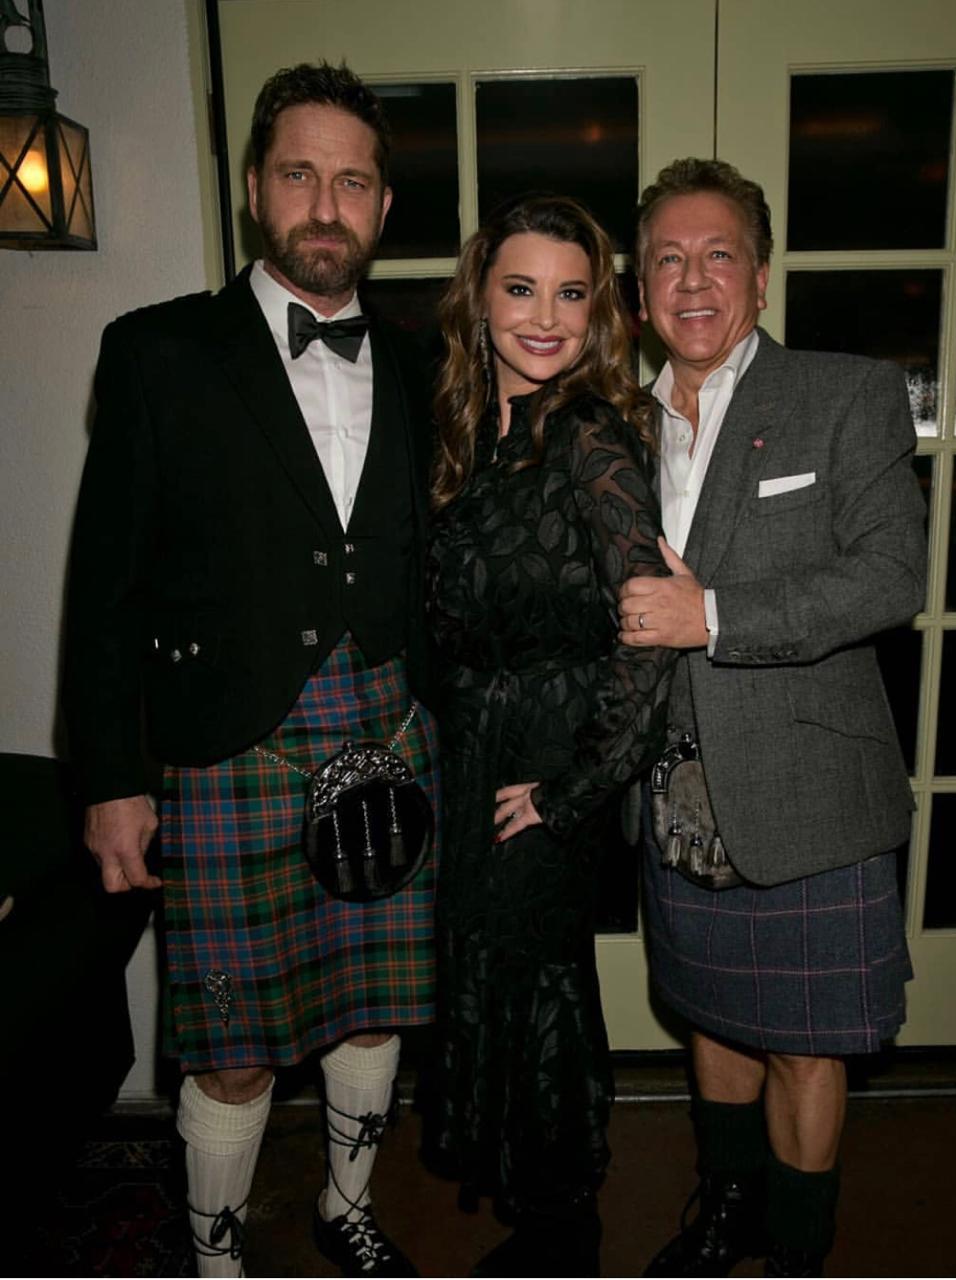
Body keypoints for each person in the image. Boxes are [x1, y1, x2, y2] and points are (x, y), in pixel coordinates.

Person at [63, 62, 438, 1279]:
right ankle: (216, 1256)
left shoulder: (425, 360)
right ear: (252, 189)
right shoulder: (157, 350)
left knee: (375, 1008)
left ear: (382, 203)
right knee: (232, 1044)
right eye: (298, 174)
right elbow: (104, 582)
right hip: (226, 745)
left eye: (352, 181)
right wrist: (113, 775)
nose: (325, 205)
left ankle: (345, 1204)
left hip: (390, 724)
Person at [618, 158, 926, 1277]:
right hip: (675, 791)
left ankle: (797, 1251)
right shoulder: (614, 423)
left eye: (718, 256)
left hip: (807, 796)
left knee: (804, 1045)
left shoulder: (844, 394)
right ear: (638, 287)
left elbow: (891, 575)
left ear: (758, 275)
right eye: (667, 259)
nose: (692, 280)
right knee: (712, 1019)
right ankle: (726, 1210)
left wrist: (711, 616)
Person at [423, 194, 675, 1276]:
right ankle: (539, 1209)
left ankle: (564, 1228)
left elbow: (652, 634)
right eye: (520, 288)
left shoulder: (586, 436)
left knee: (543, 993)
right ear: (478, 298)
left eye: (571, 294)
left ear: (597, 312)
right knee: (494, 978)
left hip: (545, 766)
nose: (544, 316)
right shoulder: (470, 433)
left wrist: (571, 791)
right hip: (473, 755)